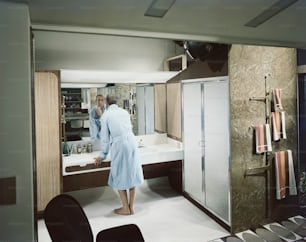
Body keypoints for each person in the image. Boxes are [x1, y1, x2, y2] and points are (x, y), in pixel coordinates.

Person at [94, 95, 144, 215]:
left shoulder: (106, 115)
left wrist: (102, 155)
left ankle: (125, 208)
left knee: (119, 173)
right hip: (132, 142)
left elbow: (105, 138)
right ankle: (131, 207)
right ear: (116, 102)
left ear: (106, 102)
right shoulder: (124, 112)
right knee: (131, 173)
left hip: (120, 145)